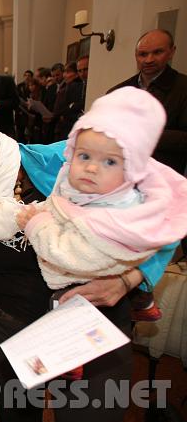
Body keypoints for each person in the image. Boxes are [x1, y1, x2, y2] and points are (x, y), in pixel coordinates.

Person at [0, 105, 176, 422]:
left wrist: (127, 280)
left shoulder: (66, 162)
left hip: (88, 328)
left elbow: (171, 209)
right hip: (14, 330)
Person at [16, 87, 187, 321]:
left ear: (131, 169)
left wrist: (36, 224)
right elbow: (58, 205)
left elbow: (69, 254)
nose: (92, 167)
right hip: (70, 292)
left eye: (109, 161)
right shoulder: (74, 170)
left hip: (99, 299)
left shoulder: (126, 207)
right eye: (84, 156)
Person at [108, 29, 187, 173]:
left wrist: (145, 132)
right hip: (120, 176)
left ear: (172, 52)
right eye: (143, 54)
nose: (149, 60)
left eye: (157, 52)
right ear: (136, 56)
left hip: (164, 179)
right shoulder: (117, 92)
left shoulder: (182, 88)